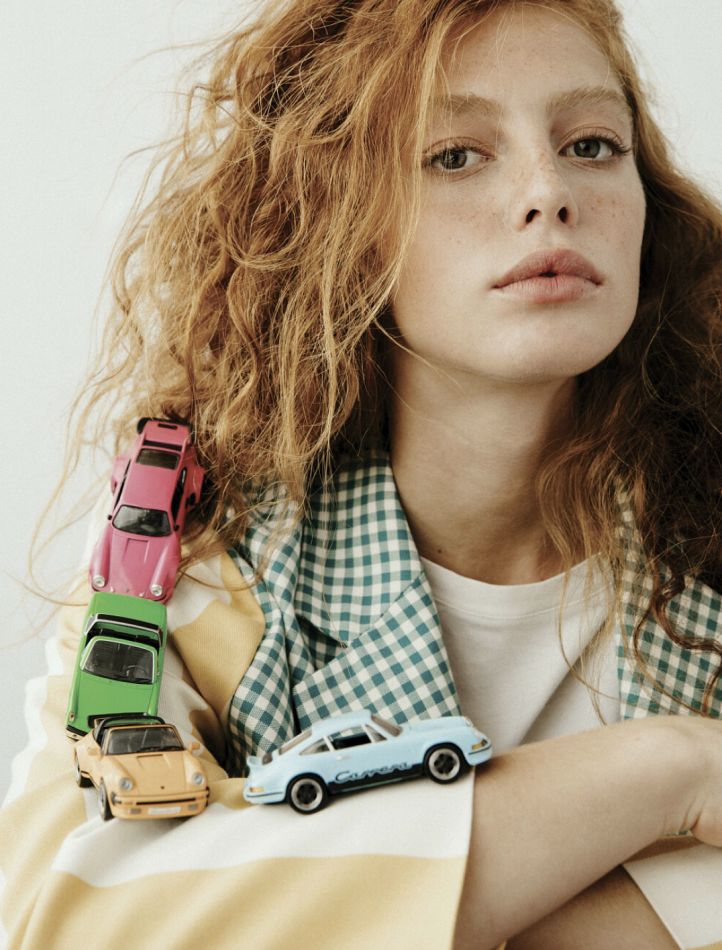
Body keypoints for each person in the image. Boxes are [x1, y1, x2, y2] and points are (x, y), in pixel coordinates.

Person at [2, 0, 721, 947]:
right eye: (455, 155)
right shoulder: (199, 548)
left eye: (591, 144)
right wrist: (670, 771)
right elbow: (62, 919)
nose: (548, 192)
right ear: (340, 219)